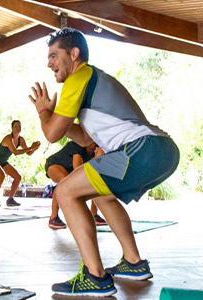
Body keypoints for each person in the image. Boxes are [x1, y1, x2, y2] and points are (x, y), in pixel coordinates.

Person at [29, 28, 179, 297]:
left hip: (141, 149)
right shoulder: (95, 79)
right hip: (161, 150)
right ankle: (134, 263)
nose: (49, 63)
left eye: (54, 55)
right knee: (104, 196)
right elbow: (86, 138)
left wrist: (43, 113)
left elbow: (51, 133)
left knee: (64, 191)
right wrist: (54, 116)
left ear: (74, 54)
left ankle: (95, 277)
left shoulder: (78, 77)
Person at [45, 141, 106, 229]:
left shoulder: (95, 151)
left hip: (69, 170)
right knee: (65, 183)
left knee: (95, 183)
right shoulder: (77, 145)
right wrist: (96, 158)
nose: (96, 145)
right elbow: (77, 170)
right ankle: (53, 218)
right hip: (54, 165)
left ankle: (94, 215)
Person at [0, 120, 40, 207]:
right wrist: (30, 147)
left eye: (19, 126)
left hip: (2, 161)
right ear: (12, 128)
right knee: (1, 176)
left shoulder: (20, 140)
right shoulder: (8, 138)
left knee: (18, 177)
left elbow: (28, 153)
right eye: (16, 126)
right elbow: (15, 152)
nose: (18, 128)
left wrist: (34, 148)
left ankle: (10, 199)